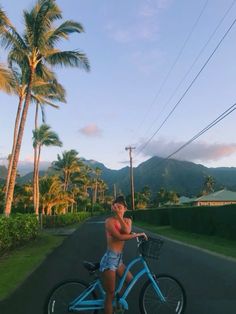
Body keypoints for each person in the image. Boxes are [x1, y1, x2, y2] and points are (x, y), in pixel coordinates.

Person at [99, 195, 147, 314]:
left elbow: (126, 230)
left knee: (130, 280)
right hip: (110, 259)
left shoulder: (127, 221)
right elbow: (120, 236)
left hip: (118, 259)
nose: (118, 208)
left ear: (125, 208)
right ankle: (110, 306)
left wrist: (120, 216)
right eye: (115, 206)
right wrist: (136, 235)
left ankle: (115, 303)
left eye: (120, 207)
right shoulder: (109, 221)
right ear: (112, 207)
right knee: (109, 293)